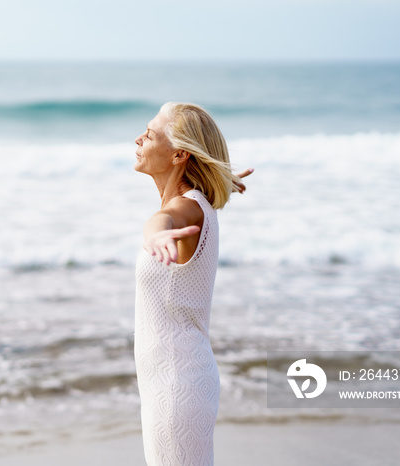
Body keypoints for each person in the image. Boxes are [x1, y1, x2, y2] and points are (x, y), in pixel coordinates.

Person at [133, 102, 253, 466]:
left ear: (180, 154)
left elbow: (165, 219)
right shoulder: (197, 204)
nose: (139, 138)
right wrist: (218, 176)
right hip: (172, 380)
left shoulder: (187, 210)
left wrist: (154, 236)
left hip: (176, 385)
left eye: (150, 134)